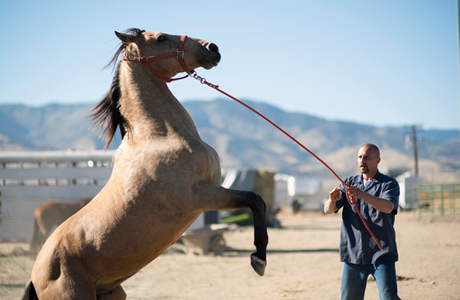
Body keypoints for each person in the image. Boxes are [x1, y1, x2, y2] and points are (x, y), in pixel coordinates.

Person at [324, 143, 401, 300]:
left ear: (378, 160)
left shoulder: (389, 184)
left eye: (367, 157)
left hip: (382, 254)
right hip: (354, 255)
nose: (362, 161)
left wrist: (361, 194)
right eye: (360, 157)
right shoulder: (348, 184)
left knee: (389, 297)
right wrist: (331, 201)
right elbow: (328, 210)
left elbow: (388, 207)